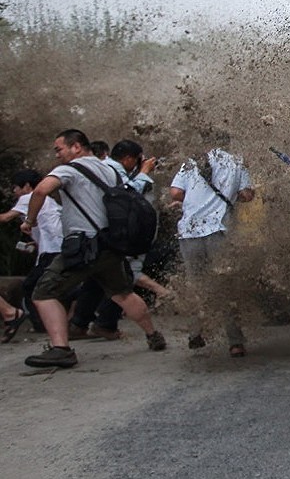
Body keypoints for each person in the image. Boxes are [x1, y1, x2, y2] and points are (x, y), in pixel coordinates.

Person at [20, 129, 166, 368]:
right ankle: (153, 335)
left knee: (43, 293)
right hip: (109, 244)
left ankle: (61, 349)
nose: (57, 154)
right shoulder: (110, 169)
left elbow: (41, 190)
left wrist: (30, 220)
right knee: (122, 293)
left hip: (82, 246)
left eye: (59, 149)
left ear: (76, 146)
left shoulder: (69, 169)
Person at [70, 139, 166, 341]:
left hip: (103, 235)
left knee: (97, 280)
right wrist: (144, 174)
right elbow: (124, 197)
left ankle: (81, 323)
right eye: (138, 160)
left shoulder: (110, 169)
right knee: (123, 280)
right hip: (111, 235)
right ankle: (106, 324)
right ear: (129, 158)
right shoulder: (111, 171)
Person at [169, 138, 254, 357]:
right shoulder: (238, 162)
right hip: (219, 232)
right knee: (225, 285)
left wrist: (195, 199)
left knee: (196, 284)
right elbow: (247, 195)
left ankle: (195, 332)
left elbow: (175, 193)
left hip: (190, 232)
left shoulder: (191, 162)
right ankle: (235, 342)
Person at [0, 169, 64, 333]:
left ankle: (41, 325)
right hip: (56, 247)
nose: (14, 192)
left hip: (52, 250)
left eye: (15, 187)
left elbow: (5, 218)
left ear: (27, 186)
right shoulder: (48, 201)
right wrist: (34, 245)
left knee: (31, 287)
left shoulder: (29, 197)